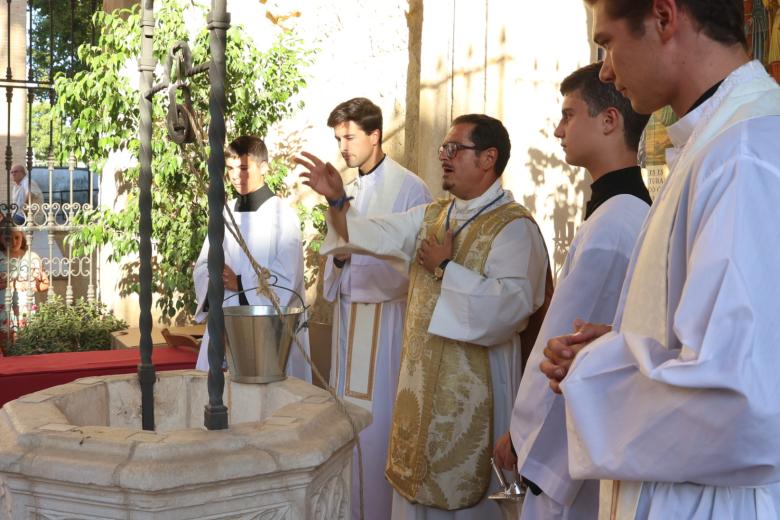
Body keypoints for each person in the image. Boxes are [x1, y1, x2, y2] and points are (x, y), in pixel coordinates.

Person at [541, 1, 780, 518]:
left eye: (607, 44)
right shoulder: (718, 141)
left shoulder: (743, 153)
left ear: (665, 17)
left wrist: (597, 368)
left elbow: (740, 398)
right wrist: (627, 340)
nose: (605, 69)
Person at [297, 113, 551, 520]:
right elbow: (373, 234)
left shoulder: (514, 228)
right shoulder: (435, 215)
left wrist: (446, 269)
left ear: (489, 158)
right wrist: (337, 200)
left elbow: (512, 308)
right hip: (421, 393)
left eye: (455, 149)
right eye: (443, 149)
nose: (445, 157)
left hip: (476, 392)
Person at [493, 62, 651, 519]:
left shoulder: (614, 223)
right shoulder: (622, 211)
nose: (559, 129)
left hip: (570, 444)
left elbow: (563, 346)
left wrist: (523, 438)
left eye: (569, 114)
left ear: (609, 121)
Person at [322, 97, 431, 520]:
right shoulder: (344, 188)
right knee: (344, 427)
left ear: (375, 135)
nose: (343, 147)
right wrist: (340, 259)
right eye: (338, 139)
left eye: (349, 137)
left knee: (379, 426)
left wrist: (357, 257)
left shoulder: (410, 188)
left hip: (386, 322)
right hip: (349, 321)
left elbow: (412, 264)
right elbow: (335, 254)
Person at [193, 135, 310, 382]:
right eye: (231, 169)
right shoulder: (225, 213)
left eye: (244, 168)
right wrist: (213, 273)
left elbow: (289, 276)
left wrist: (241, 284)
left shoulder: (282, 216)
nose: (236, 176)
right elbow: (203, 264)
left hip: (267, 333)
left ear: (263, 167)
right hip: (224, 321)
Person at [0, 227, 49, 330]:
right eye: (8, 238)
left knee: (25, 342)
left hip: (26, 310)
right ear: (1, 238)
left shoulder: (32, 257)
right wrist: (13, 284)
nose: (13, 242)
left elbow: (45, 284)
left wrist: (30, 286)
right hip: (2, 311)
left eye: (17, 237)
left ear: (22, 235)